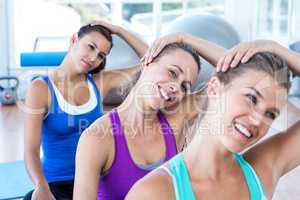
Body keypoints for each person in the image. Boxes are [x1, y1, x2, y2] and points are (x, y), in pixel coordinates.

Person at [126, 40, 300, 199]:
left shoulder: (263, 169)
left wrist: (273, 47)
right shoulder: (154, 192)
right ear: (214, 89)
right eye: (251, 98)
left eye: (270, 114)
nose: (257, 121)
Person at [23, 21, 148, 200]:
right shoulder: (41, 88)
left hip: (97, 180)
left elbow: (152, 63)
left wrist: (119, 30)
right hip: (57, 185)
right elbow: (30, 150)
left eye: (100, 55)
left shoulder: (99, 83)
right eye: (90, 47)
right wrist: (41, 186)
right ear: (74, 39)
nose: (93, 58)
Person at [73, 42, 203, 200]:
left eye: (185, 87)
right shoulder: (97, 138)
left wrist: (183, 36)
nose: (176, 87)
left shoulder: (175, 120)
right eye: (172, 73)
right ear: (148, 61)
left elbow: (233, 80)